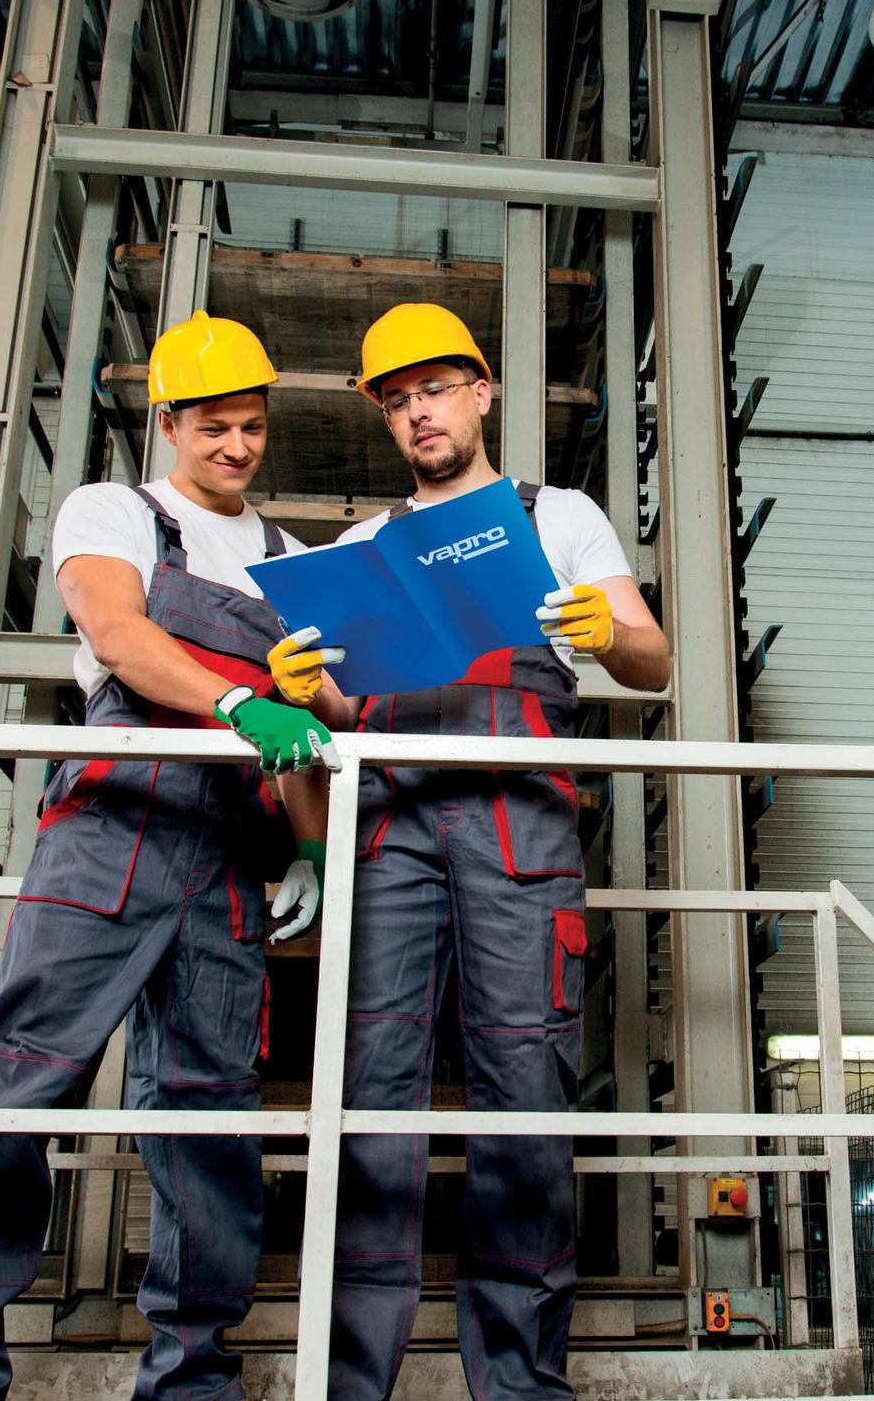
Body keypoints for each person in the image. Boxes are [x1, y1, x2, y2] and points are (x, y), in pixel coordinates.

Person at [0, 310, 342, 1401]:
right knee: (20, 1080)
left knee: (208, 1118)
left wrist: (314, 846)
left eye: (252, 428)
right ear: (169, 420)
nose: (236, 448)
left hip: (228, 847)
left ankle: (190, 1375)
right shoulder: (114, 508)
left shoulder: (287, 557)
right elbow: (118, 630)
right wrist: (241, 697)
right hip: (114, 825)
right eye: (215, 427)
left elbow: (316, 718)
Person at [266, 303, 670, 1400]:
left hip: (518, 832)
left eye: (432, 391)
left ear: (483, 391)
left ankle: (521, 1384)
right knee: (368, 1109)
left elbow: (653, 662)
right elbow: (346, 699)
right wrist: (306, 688)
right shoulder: (361, 548)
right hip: (390, 831)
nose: (415, 415)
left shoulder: (558, 515)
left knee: (525, 1108)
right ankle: (348, 1383)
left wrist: (604, 629)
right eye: (395, 403)